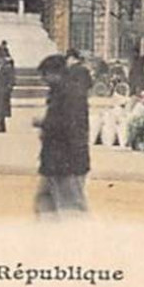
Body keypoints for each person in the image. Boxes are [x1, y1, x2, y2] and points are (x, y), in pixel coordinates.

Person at [34, 54, 89, 215]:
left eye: (45, 75)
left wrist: (44, 124)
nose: (43, 80)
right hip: (57, 161)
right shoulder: (62, 92)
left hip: (66, 161)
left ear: (55, 73)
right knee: (45, 201)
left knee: (70, 207)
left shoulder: (68, 95)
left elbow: (67, 126)